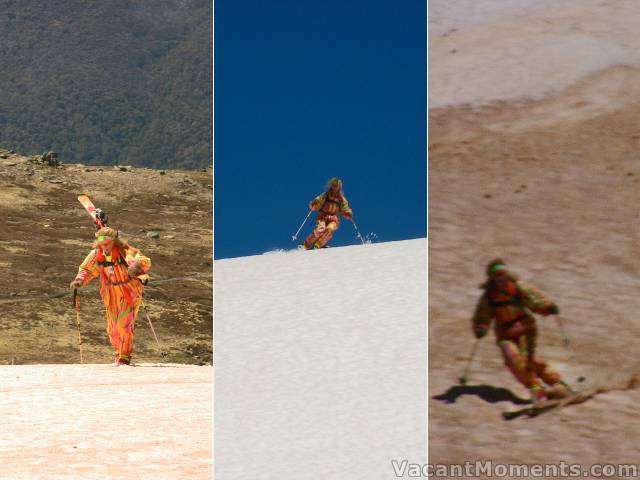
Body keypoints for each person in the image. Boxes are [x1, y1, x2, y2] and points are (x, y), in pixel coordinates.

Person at [472, 259, 570, 402]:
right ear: (492, 278)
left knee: (529, 359)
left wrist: (547, 307)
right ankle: (535, 388)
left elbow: (534, 300)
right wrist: (481, 328)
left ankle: (556, 382)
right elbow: (482, 316)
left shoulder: (517, 288)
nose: (501, 278)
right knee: (512, 357)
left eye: (503, 274)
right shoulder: (489, 297)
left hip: (525, 329)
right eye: (497, 276)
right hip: (505, 333)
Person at [70, 227, 151, 365]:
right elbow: (86, 269)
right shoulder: (96, 254)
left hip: (128, 291)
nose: (105, 247)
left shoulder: (124, 251)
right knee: (112, 328)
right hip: (110, 293)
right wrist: (80, 280)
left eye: (107, 244)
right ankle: (119, 352)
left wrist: (136, 267)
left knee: (124, 324)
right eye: (102, 244)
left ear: (114, 242)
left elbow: (143, 260)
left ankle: (124, 356)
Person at [303, 177, 354, 249]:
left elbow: (345, 206)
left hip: (334, 218)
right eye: (334, 185)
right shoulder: (326, 195)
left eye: (337, 186)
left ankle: (318, 245)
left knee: (329, 229)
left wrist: (348, 213)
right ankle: (306, 244)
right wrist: (314, 203)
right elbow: (317, 201)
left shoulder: (341, 198)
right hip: (323, 216)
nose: (335, 188)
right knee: (320, 229)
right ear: (331, 186)